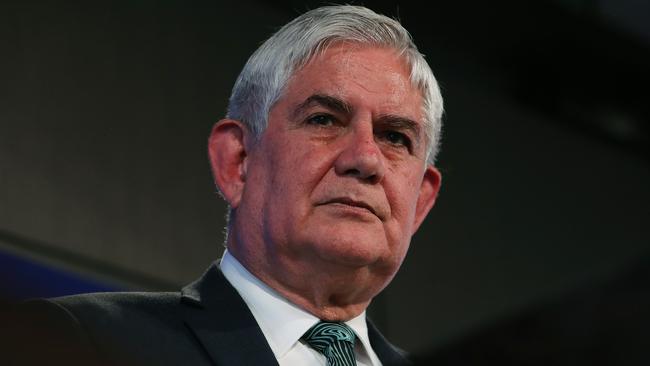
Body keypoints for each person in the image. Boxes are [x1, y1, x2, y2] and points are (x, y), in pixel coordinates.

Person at [3, 5, 443, 366]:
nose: (365, 158)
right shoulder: (85, 343)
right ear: (238, 162)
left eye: (395, 138)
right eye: (324, 120)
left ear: (419, 202)